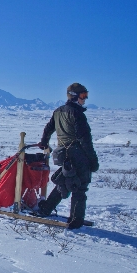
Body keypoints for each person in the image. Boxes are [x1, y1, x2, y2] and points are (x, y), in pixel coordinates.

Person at [36, 83, 99, 229]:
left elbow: (48, 128)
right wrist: (93, 161)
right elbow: (86, 140)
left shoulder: (58, 111)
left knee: (63, 182)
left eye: (86, 96)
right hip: (78, 155)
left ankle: (45, 209)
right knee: (80, 187)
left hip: (63, 155)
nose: (85, 99)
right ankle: (76, 221)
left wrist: (44, 142)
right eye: (83, 96)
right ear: (74, 96)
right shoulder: (77, 114)